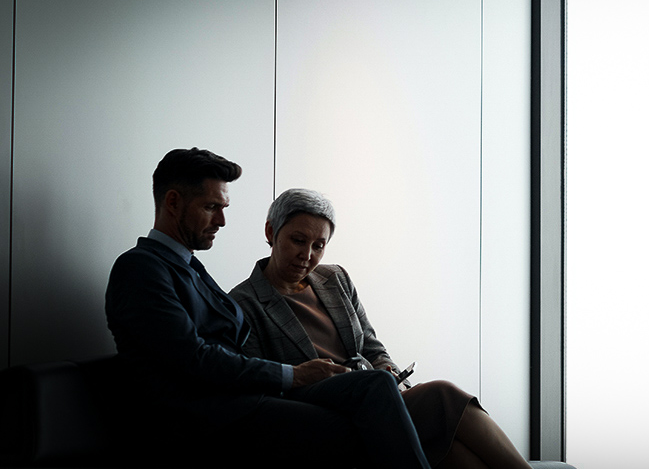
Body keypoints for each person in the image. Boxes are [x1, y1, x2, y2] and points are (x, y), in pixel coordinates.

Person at [104, 148, 430, 468]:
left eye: (224, 207)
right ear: (173, 202)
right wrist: (293, 374)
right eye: (211, 207)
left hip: (246, 400)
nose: (221, 220)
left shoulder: (189, 268)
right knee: (369, 410)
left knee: (377, 387)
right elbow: (193, 358)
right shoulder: (140, 269)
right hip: (209, 418)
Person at [229, 188, 529, 469]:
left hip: (378, 396)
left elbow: (371, 346)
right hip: (320, 413)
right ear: (271, 232)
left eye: (318, 245)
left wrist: (387, 368)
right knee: (441, 394)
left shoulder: (336, 279)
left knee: (446, 443)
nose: (307, 255)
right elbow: (263, 384)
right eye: (298, 240)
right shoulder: (243, 303)